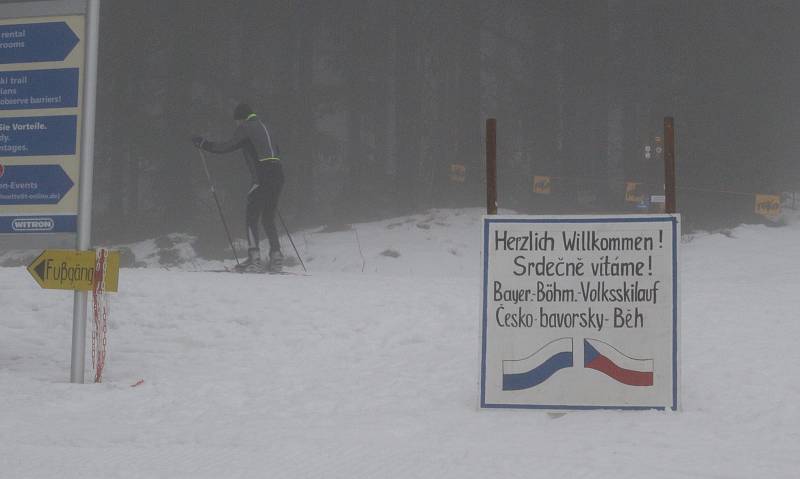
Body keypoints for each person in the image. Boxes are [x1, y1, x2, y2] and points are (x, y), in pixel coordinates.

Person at [192, 103, 284, 272]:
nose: (236, 125)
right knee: (268, 216)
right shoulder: (266, 127)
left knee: (251, 216)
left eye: (236, 121)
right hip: (278, 174)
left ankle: (254, 258)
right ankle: (276, 257)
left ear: (241, 118)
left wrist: (204, 144)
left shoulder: (246, 127)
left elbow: (226, 146)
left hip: (262, 175)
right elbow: (276, 149)